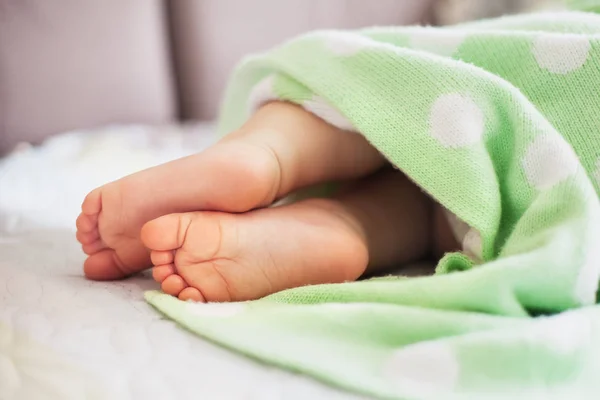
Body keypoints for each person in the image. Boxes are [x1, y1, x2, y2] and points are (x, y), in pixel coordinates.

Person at [75, 100, 459, 302]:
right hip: (491, 201)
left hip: (453, 107)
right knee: (442, 206)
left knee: (387, 103)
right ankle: (341, 223)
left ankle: (270, 153)